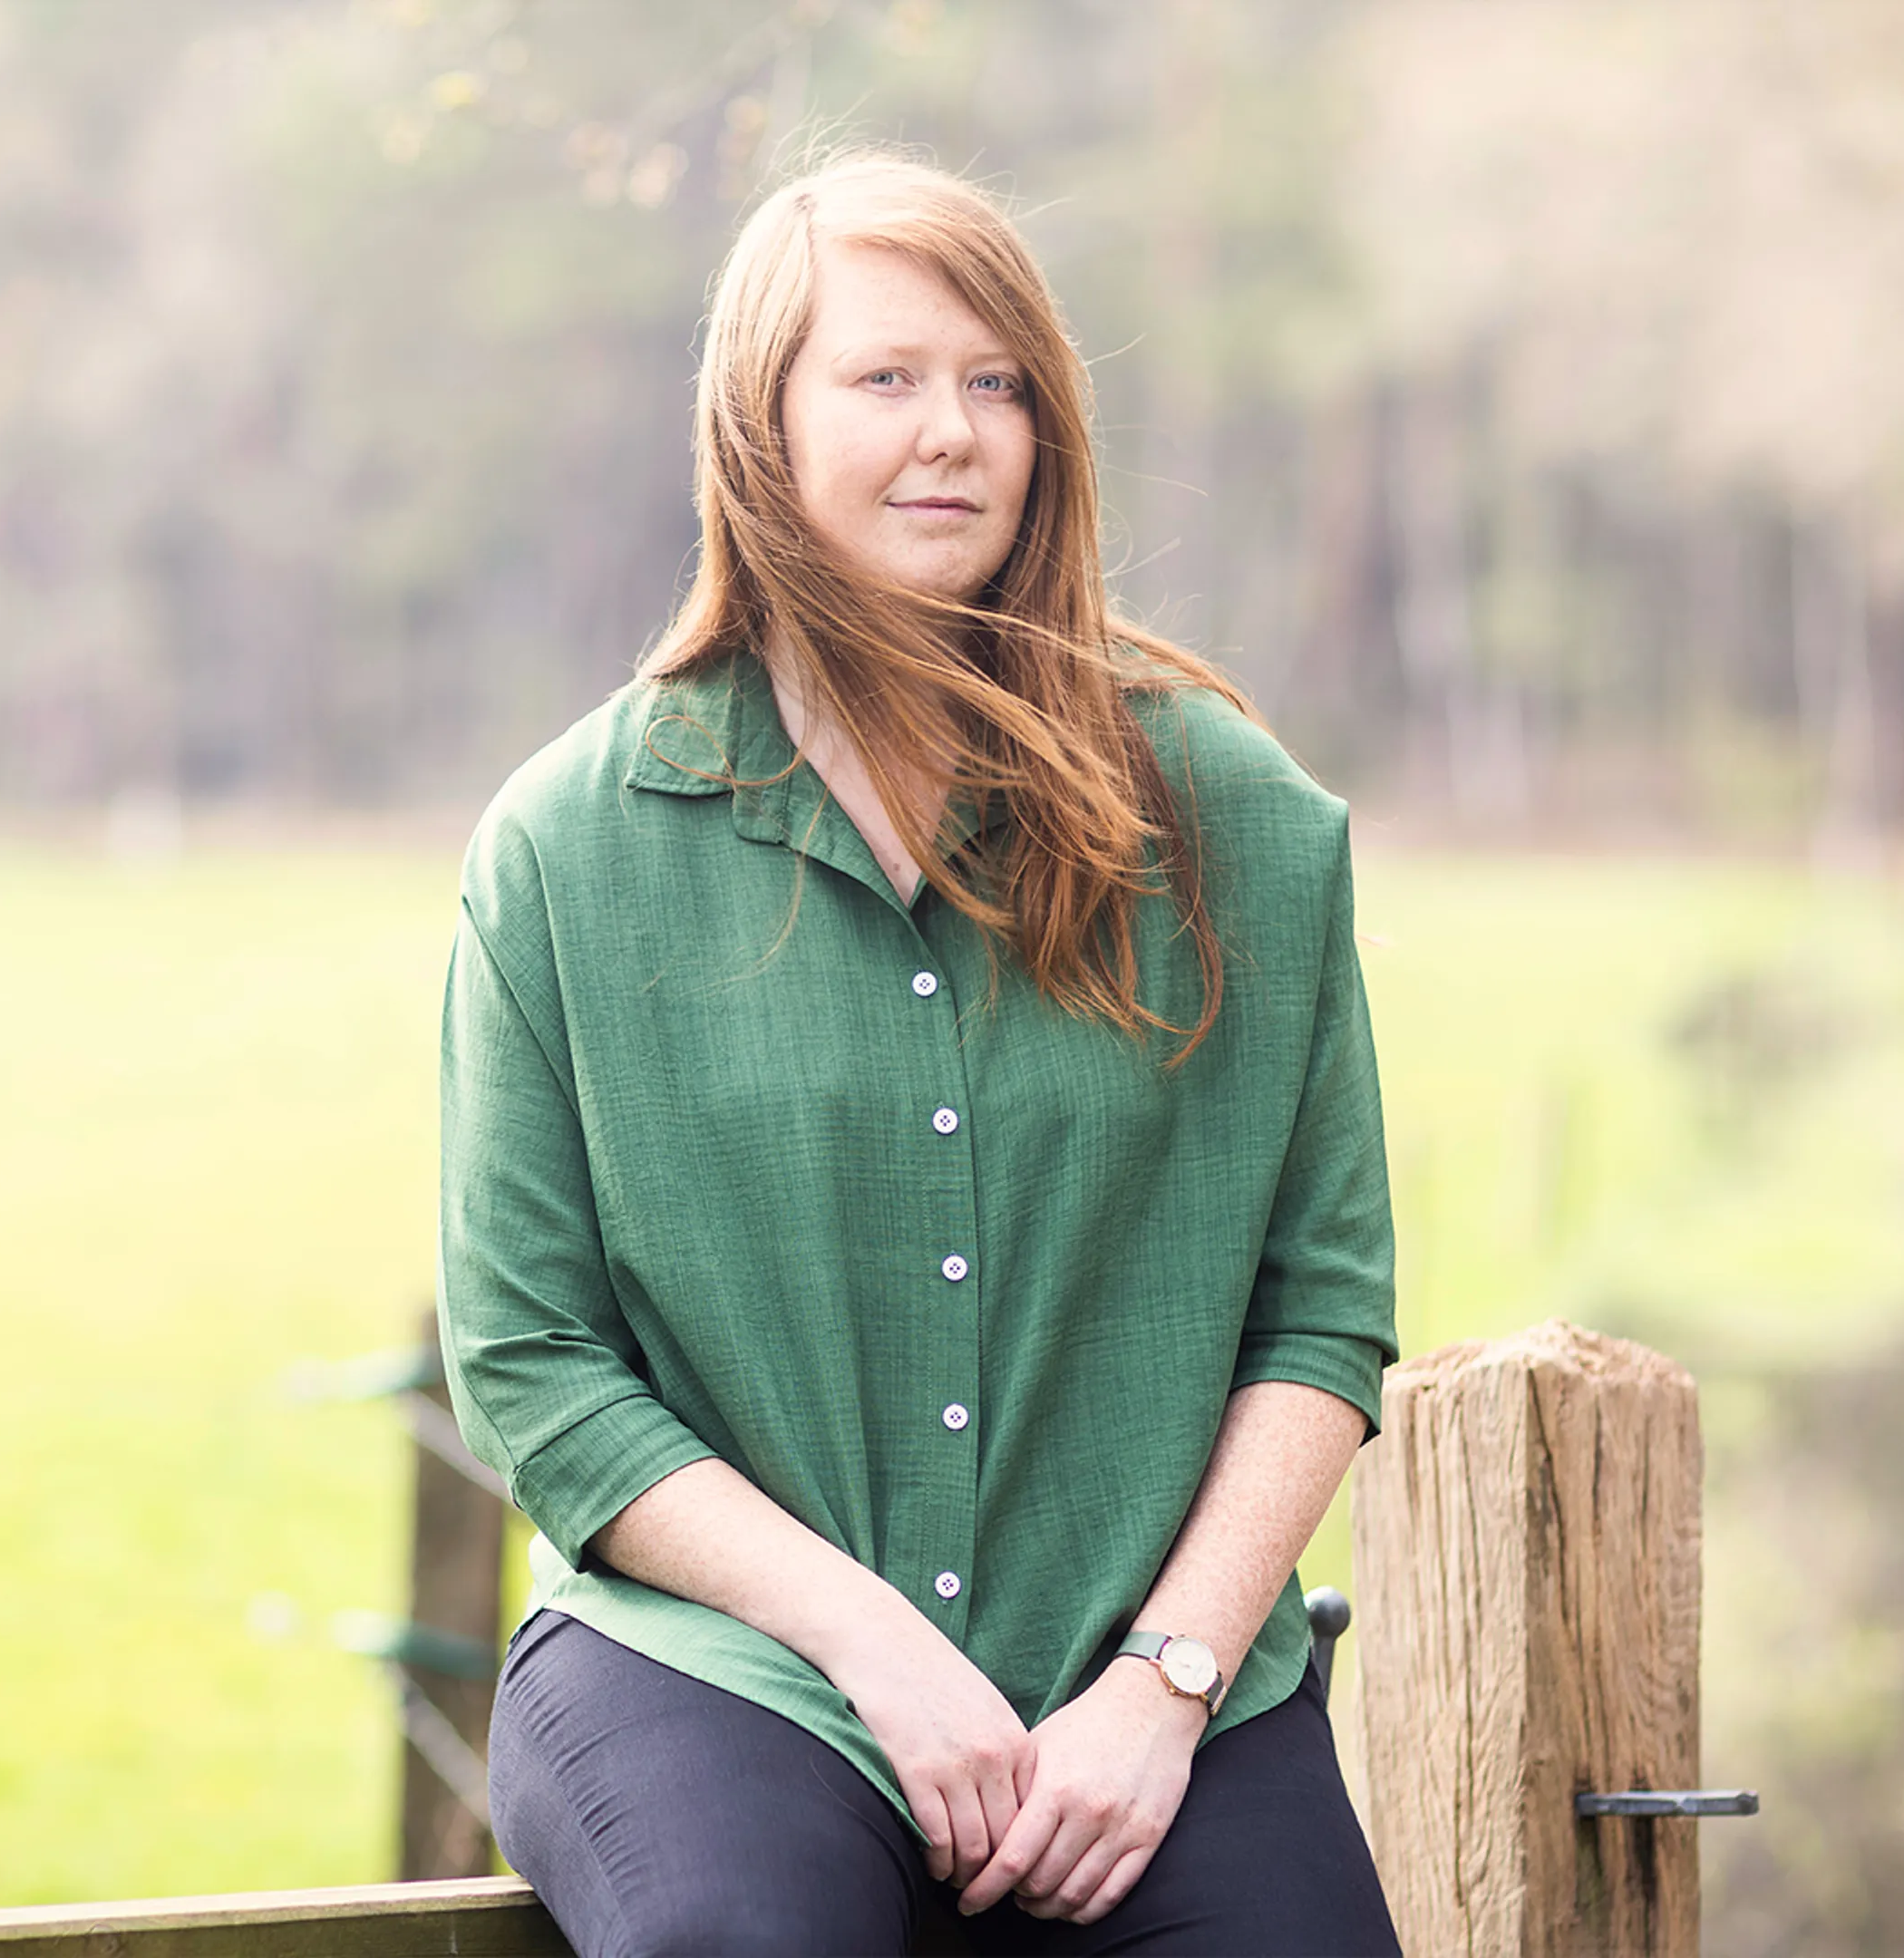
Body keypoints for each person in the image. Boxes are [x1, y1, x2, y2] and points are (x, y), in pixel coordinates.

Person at [436, 145, 1403, 1956]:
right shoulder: (569, 849)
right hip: (726, 1669)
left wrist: (1166, 1681)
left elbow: (1323, 1315)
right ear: (762, 423)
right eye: (884, 377)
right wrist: (873, 1647)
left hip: (1153, 1685)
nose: (953, 432)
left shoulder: (1237, 822)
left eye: (998, 382)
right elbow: (531, 1361)